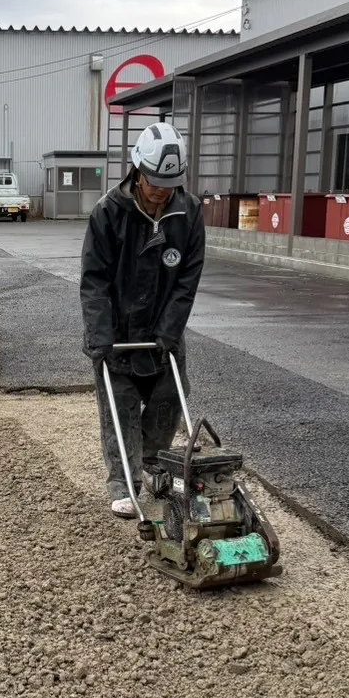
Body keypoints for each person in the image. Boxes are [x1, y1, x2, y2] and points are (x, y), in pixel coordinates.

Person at [80, 122, 205, 517]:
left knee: (171, 396)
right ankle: (123, 479)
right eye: (154, 182)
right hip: (116, 331)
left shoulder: (189, 212)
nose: (161, 190)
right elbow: (94, 281)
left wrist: (169, 331)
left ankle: (152, 464)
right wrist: (100, 336)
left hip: (164, 329)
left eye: (169, 183)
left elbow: (187, 280)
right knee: (121, 403)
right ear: (137, 169)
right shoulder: (109, 212)